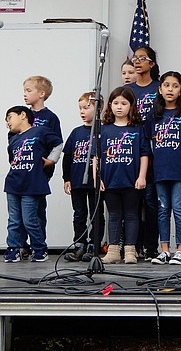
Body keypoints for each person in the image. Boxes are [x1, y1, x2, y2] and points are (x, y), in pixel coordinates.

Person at [145, 72, 181, 265]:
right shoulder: (153, 114)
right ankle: (165, 249)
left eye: (175, 86)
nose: (170, 89)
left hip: (180, 168)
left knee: (179, 207)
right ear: (160, 88)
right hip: (160, 169)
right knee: (163, 209)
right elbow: (149, 143)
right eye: (166, 85)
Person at [96, 87, 149, 264]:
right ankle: (113, 251)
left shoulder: (137, 129)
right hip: (110, 181)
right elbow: (98, 156)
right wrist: (98, 177)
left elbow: (144, 154)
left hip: (131, 180)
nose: (119, 107)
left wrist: (141, 177)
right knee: (114, 215)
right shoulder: (104, 129)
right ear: (110, 105)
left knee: (132, 215)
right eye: (116, 103)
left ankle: (130, 250)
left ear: (131, 106)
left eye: (124, 103)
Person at [4, 106, 62, 263]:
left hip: (33, 184)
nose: (7, 122)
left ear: (23, 115)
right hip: (13, 184)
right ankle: (13, 248)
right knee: (14, 220)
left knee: (30, 219)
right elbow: (13, 159)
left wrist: (51, 160)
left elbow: (57, 143)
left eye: (9, 117)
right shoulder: (13, 138)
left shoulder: (41, 131)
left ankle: (39, 248)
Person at [62, 92, 105, 262]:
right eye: (80, 108)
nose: (82, 111)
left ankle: (94, 244)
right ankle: (79, 243)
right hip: (78, 180)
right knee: (79, 213)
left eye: (87, 107)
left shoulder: (102, 131)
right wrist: (66, 178)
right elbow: (67, 156)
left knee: (96, 213)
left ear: (98, 108)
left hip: (95, 182)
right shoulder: (76, 132)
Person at [128, 46, 160, 260]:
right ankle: (132, 245)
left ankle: (150, 246)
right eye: (135, 58)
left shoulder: (159, 88)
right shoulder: (128, 90)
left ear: (152, 64)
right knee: (133, 202)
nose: (137, 62)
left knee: (150, 201)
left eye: (142, 58)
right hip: (131, 150)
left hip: (154, 151)